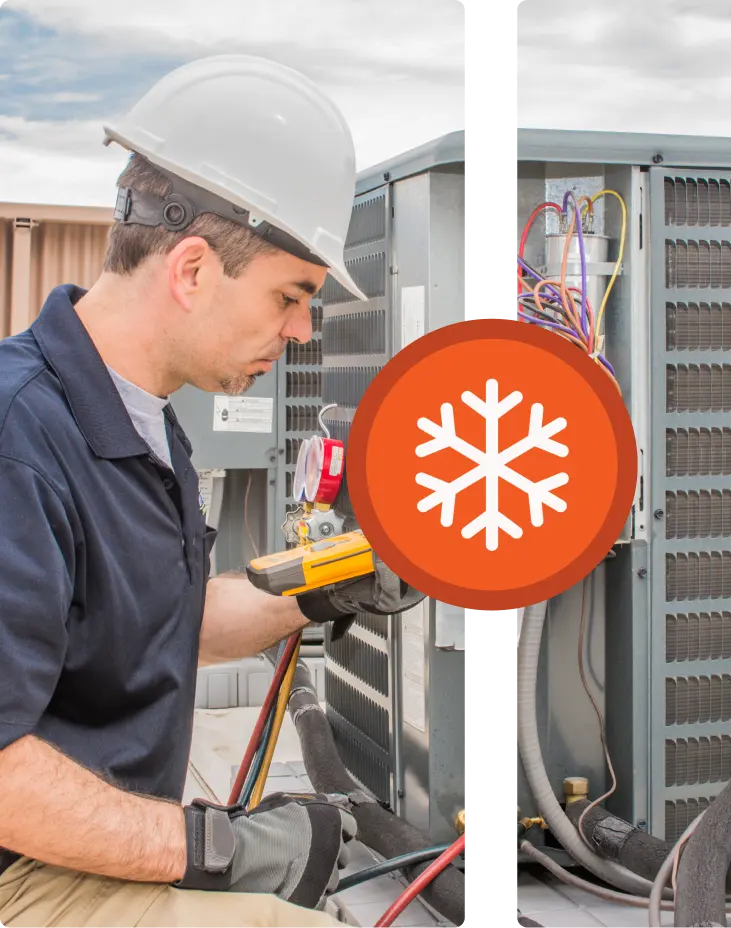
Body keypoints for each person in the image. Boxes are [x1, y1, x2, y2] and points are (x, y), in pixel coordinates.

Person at [0, 55, 422, 927]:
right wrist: (211, 847)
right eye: (292, 295)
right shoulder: (18, 442)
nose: (302, 331)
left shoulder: (140, 419)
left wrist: (330, 583)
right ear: (192, 269)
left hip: (79, 851)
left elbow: (167, 620)